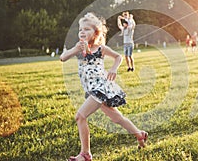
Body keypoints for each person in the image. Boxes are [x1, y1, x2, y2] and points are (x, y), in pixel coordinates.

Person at [60, 13, 148, 161]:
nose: (82, 32)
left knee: (80, 116)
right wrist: (76, 49)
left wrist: (113, 69)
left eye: (87, 29)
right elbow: (63, 57)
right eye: (80, 29)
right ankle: (140, 134)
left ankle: (85, 154)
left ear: (96, 32)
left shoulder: (100, 48)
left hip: (101, 88)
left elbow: (118, 57)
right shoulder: (78, 48)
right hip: (92, 90)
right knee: (117, 118)